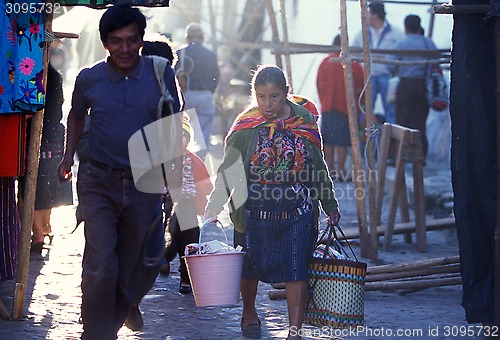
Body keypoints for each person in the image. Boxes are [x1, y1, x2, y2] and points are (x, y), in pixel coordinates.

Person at [57, 4, 183, 339]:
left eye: (132, 40)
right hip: (98, 179)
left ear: (142, 39)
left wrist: (173, 174)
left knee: (144, 264)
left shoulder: (160, 73)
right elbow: (77, 116)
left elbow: (172, 124)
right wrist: (68, 156)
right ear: (105, 43)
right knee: (101, 267)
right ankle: (97, 332)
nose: (125, 49)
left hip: (146, 181)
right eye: (117, 41)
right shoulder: (90, 78)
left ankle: (120, 310)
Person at [204, 65, 341, 339]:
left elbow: (318, 167)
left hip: (297, 209)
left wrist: (330, 205)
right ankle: (249, 311)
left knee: (296, 268)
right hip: (252, 210)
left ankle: (294, 330)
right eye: (262, 96)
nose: (268, 104)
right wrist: (215, 203)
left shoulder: (304, 121)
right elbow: (229, 170)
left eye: (275, 97)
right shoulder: (246, 126)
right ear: (254, 94)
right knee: (249, 265)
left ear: (286, 93)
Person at [20, 64, 74, 254]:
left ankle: (38, 234)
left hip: (37, 136)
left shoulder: (28, 75)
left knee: (33, 186)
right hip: (54, 135)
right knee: (47, 185)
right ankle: (44, 226)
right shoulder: (55, 76)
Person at [160, 112, 213, 294]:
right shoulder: (165, 161)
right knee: (173, 235)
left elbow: (206, 184)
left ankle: (184, 276)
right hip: (168, 203)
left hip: (187, 204)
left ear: (187, 139)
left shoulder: (193, 161)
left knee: (188, 242)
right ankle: (165, 257)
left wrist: (204, 195)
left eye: (182, 137)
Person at [387, 15, 438, 159]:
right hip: (423, 86)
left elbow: (390, 66)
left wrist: (400, 70)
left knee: (402, 122)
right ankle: (420, 156)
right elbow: (436, 62)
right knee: (420, 122)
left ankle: (400, 156)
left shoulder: (401, 44)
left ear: (406, 28)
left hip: (405, 85)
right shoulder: (428, 43)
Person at [316, 34, 364, 181]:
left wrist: (324, 100)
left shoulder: (326, 62)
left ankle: (330, 170)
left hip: (328, 106)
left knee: (329, 140)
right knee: (342, 140)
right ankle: (341, 171)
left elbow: (319, 84)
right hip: (346, 107)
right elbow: (361, 86)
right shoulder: (353, 63)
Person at [352, 1, 404, 124]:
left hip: (387, 76)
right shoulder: (362, 33)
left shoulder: (395, 33)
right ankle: (365, 141)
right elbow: (353, 51)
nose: (366, 16)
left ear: (375, 15)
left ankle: (390, 140)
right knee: (366, 110)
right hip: (368, 76)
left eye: (368, 13)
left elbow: (403, 52)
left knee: (391, 109)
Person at [175, 22, 220, 159]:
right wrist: (209, 92)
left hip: (185, 96)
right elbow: (216, 76)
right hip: (205, 96)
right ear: (202, 38)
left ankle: (182, 164)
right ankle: (198, 165)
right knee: (202, 135)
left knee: (182, 131)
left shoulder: (180, 53)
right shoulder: (211, 55)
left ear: (187, 38)